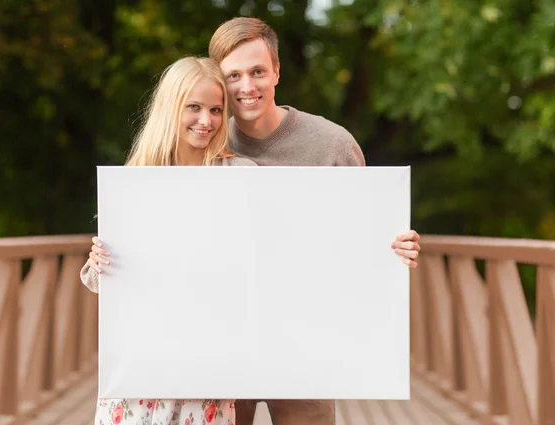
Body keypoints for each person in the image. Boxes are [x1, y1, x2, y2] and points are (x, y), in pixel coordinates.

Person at [207, 17, 421, 425]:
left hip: (307, 346)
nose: (246, 87)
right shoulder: (205, 142)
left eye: (257, 72)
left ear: (277, 72)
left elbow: (367, 235)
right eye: (233, 75)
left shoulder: (332, 144)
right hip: (227, 346)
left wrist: (396, 246)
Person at [81, 56, 255, 425]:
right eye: (194, 107)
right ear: (171, 107)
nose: (206, 121)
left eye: (216, 109)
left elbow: (265, 257)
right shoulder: (136, 179)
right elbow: (101, 282)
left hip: (207, 363)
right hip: (141, 367)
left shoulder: (241, 177)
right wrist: (99, 262)